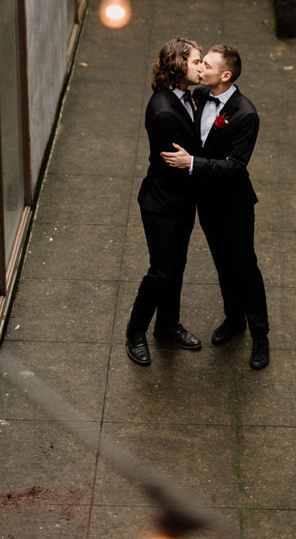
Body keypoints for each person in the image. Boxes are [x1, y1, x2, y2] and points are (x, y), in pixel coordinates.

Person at [162, 44, 270, 370]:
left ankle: (260, 335)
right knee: (223, 264)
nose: (200, 68)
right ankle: (233, 319)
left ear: (225, 75)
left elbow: (236, 166)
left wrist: (191, 162)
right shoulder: (197, 97)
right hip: (206, 204)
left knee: (245, 268)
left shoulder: (245, 114)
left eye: (206, 64)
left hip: (235, 207)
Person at [125, 38, 203, 366]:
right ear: (177, 65)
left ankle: (168, 326)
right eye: (196, 61)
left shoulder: (187, 96)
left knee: (177, 266)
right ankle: (135, 332)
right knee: (161, 271)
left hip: (181, 201)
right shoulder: (163, 111)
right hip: (162, 203)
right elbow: (182, 163)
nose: (202, 67)